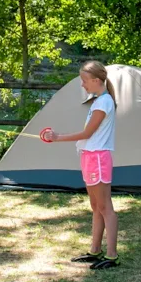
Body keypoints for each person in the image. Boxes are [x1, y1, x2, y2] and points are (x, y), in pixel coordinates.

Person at [41, 61, 119, 269]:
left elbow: (87, 134)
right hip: (89, 157)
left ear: (96, 80)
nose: (83, 85)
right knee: (96, 206)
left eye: (84, 81)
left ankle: (112, 255)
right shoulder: (98, 101)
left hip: (98, 159)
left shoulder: (104, 102)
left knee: (105, 207)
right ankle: (95, 250)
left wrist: (57, 137)